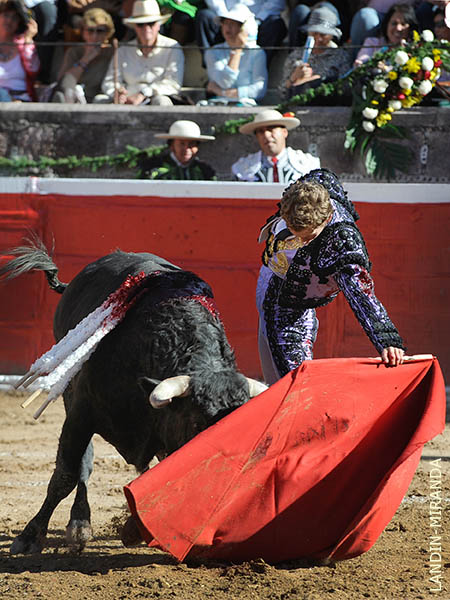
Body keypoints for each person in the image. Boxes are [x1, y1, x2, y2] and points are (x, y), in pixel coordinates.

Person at [256, 168, 405, 385]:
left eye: (309, 236)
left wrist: (387, 339)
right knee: (275, 377)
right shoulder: (310, 188)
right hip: (270, 281)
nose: (302, 241)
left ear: (326, 219)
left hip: (292, 307)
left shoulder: (342, 242)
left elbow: (362, 294)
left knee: (295, 382)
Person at [100, 0, 184, 105]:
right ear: (135, 27)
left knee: (161, 101)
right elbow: (109, 82)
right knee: (99, 100)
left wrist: (144, 93)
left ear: (159, 25)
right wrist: (118, 93)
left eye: (151, 23)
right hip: (126, 100)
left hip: (155, 98)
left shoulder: (172, 47)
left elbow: (173, 84)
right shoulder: (123, 50)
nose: (146, 28)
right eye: (140, 24)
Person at [280, 4, 352, 102]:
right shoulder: (296, 56)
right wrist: (294, 77)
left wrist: (318, 81)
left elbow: (346, 88)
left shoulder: (341, 56)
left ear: (331, 35)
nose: (318, 39)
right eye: (314, 33)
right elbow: (282, 93)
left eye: (323, 34)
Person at [231, 109, 320, 183]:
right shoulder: (242, 168)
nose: (266, 135)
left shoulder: (308, 164)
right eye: (261, 132)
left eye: (271, 129)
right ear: (257, 137)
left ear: (284, 132)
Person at [204, 3, 267, 105]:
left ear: (245, 29)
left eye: (234, 24)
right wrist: (236, 51)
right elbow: (224, 82)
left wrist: (222, 92)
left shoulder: (257, 53)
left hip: (246, 106)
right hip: (218, 104)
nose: (228, 27)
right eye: (225, 23)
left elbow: (259, 90)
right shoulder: (212, 52)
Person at [195, 0, 287, 66]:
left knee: (275, 24)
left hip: (259, 22)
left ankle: (257, 69)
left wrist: (256, 21)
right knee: (204, 16)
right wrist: (228, 19)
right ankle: (214, 69)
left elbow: (276, 3)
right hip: (224, 17)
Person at [51, 8, 114, 103]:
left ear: (107, 33)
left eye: (100, 31)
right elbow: (63, 82)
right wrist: (85, 59)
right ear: (83, 32)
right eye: (90, 30)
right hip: (73, 99)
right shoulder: (74, 52)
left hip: (99, 101)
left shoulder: (112, 53)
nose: (94, 36)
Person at [138, 119, 217, 180]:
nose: (187, 149)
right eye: (182, 144)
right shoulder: (153, 167)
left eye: (191, 144)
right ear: (172, 145)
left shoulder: (204, 170)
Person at [354, 3, 419, 66]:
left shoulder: (414, 49)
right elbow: (363, 59)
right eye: (394, 23)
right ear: (386, 24)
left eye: (403, 24)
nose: (398, 28)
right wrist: (361, 63)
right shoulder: (372, 43)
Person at [0, 0, 39, 101]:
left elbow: (34, 69)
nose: (9, 21)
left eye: (14, 18)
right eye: (6, 15)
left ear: (19, 23)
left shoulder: (23, 43)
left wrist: (28, 39)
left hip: (21, 101)